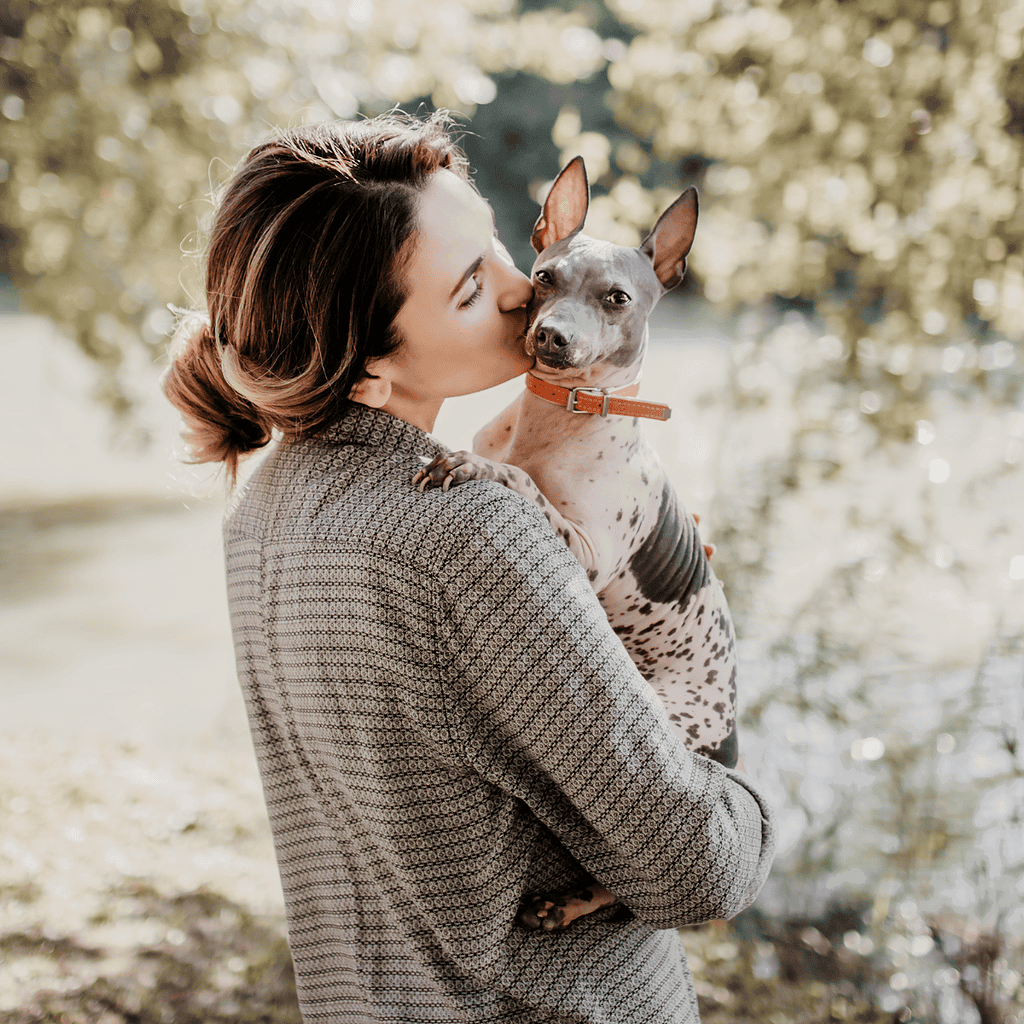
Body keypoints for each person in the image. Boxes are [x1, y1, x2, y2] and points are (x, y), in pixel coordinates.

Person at [163, 110, 775, 1024]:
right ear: (368, 369)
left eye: (496, 248)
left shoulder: (265, 509)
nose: (521, 290)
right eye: (465, 289)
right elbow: (701, 872)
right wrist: (748, 806)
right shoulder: (473, 534)